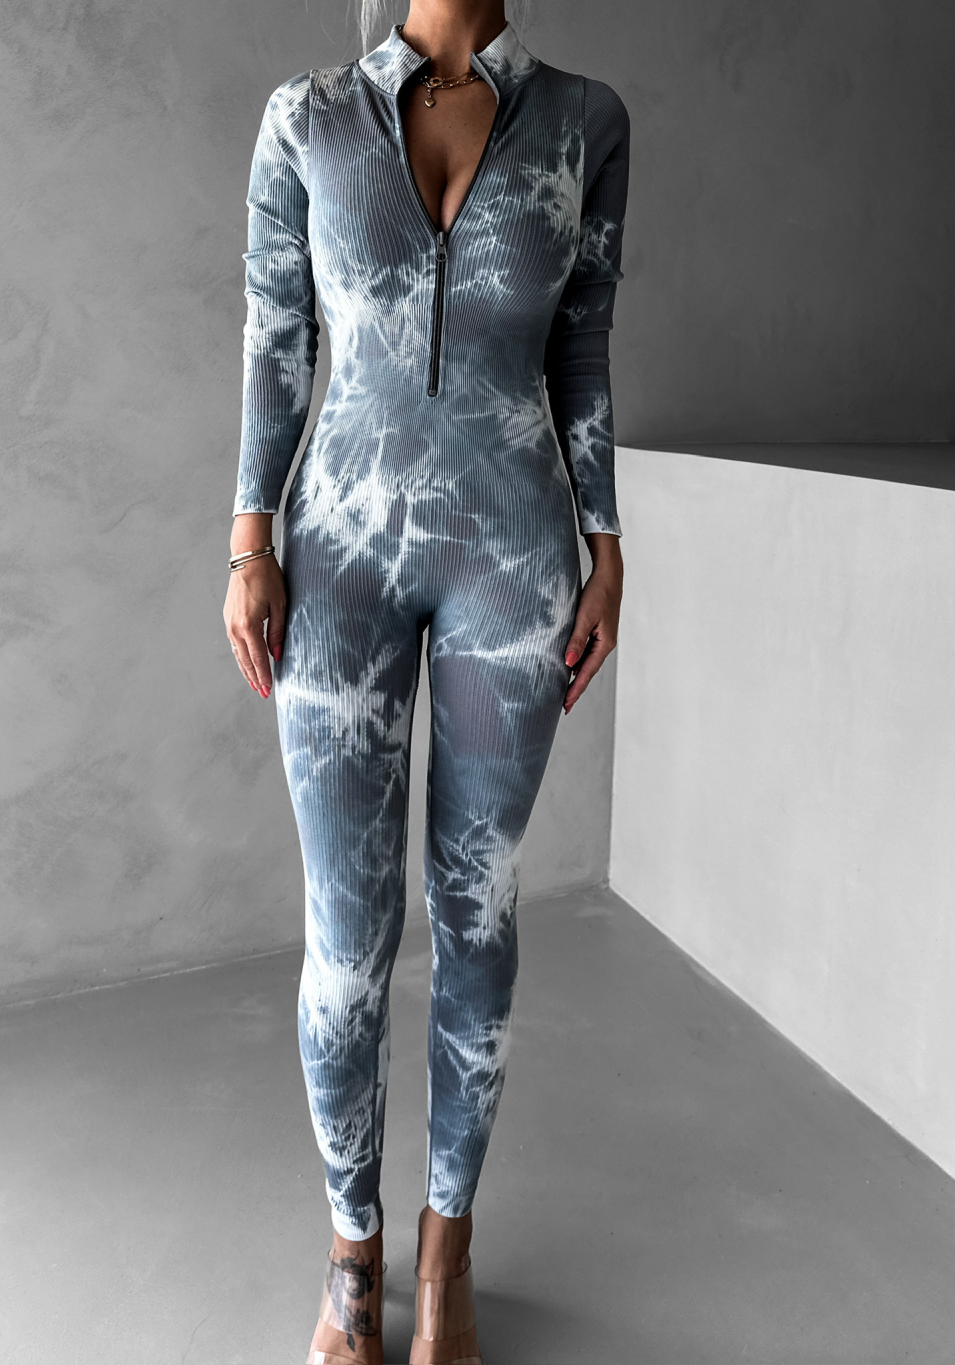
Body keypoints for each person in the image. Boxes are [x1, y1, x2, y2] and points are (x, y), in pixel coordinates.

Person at [222, 3, 629, 1360]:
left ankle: (446, 1248)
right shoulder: (307, 118)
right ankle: (355, 1248)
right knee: (346, 938)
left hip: (516, 557)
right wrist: (248, 543)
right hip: (338, 558)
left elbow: (583, 346)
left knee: (477, 906)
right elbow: (276, 336)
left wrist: (608, 543)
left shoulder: (586, 121)